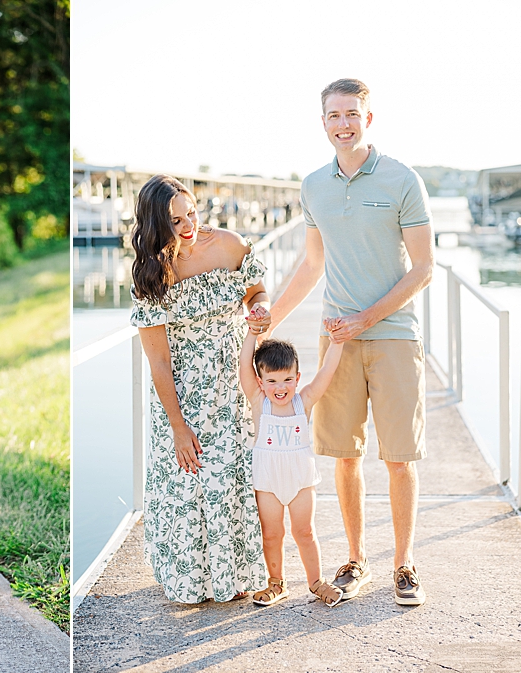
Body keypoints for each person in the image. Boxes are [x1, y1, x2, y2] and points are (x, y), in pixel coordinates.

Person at [269, 78, 434, 606]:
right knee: (343, 455)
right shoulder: (313, 185)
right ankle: (356, 560)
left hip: (392, 336)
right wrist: (269, 317)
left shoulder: (402, 179)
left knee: (399, 458)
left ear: (369, 119)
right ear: (323, 123)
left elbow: (424, 269)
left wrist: (368, 317)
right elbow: (312, 265)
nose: (343, 123)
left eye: (352, 114)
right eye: (334, 115)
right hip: (336, 338)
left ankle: (404, 565)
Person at [129, 173, 272, 603]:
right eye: (176, 220)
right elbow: (157, 359)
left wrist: (260, 308)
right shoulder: (151, 273)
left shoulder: (228, 244)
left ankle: (237, 576)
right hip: (182, 396)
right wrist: (177, 425)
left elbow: (256, 291)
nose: (189, 224)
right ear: (156, 224)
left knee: (232, 481)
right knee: (188, 486)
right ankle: (196, 583)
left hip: (232, 385)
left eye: (191, 212)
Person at [239, 316, 344, 607]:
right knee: (272, 534)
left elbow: (326, 373)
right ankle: (277, 584)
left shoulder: (303, 401)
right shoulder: (259, 402)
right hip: (268, 482)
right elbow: (243, 368)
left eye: (287, 379)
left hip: (300, 480)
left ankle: (316, 582)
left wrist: (337, 341)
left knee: (305, 532)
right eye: (271, 381)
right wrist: (251, 332)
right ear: (261, 381)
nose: (280, 387)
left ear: (297, 377)